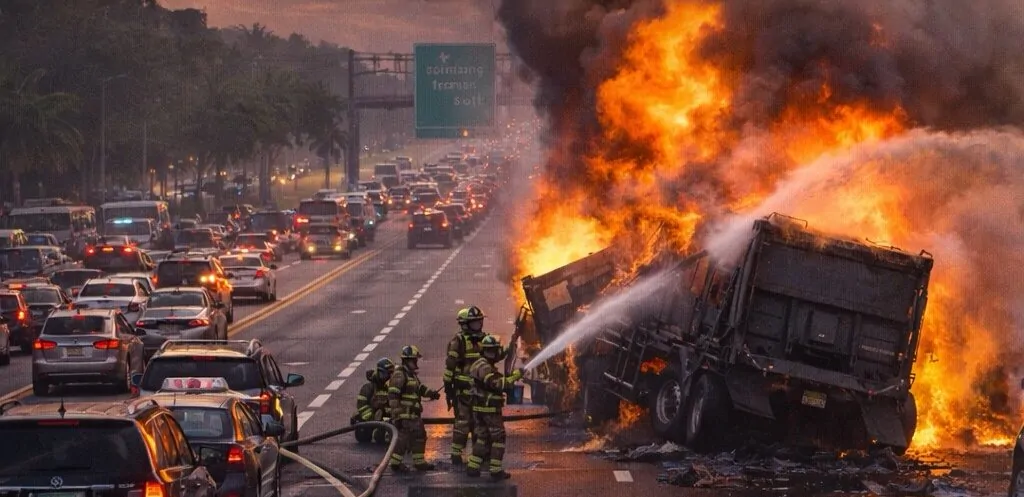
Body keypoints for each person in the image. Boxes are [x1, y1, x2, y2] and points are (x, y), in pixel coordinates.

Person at [467, 334, 524, 480]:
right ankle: (495, 470)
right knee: (498, 438)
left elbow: (499, 356)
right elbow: (497, 384)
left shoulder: (480, 363)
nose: (496, 354)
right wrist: (516, 376)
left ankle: (473, 467)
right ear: (488, 351)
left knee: (482, 438)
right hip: (489, 410)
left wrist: (511, 344)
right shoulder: (485, 368)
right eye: (494, 351)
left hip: (480, 409)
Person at [387, 345, 442, 472]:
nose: (416, 363)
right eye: (414, 360)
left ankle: (419, 462)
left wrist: (431, 393)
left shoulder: (411, 375)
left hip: (414, 416)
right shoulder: (400, 375)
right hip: (405, 416)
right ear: (407, 360)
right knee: (402, 440)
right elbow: (393, 396)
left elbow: (420, 388)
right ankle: (395, 463)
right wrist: (397, 415)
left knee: (420, 436)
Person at [443, 306, 486, 465]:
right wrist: (449, 391)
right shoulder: (458, 341)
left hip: (480, 391)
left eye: (479, 322)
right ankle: (456, 453)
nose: (479, 325)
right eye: (474, 323)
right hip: (463, 391)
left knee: (479, 423)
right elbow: (450, 369)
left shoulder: (484, 339)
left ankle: (478, 453)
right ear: (465, 324)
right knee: (463, 422)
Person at [352, 358, 395, 444]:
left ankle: (381, 432)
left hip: (380, 422)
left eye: (390, 375)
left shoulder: (387, 389)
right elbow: (361, 407)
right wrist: (374, 419)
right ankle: (377, 432)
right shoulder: (368, 388)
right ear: (379, 372)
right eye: (385, 374)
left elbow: (389, 405)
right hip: (365, 425)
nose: (387, 377)